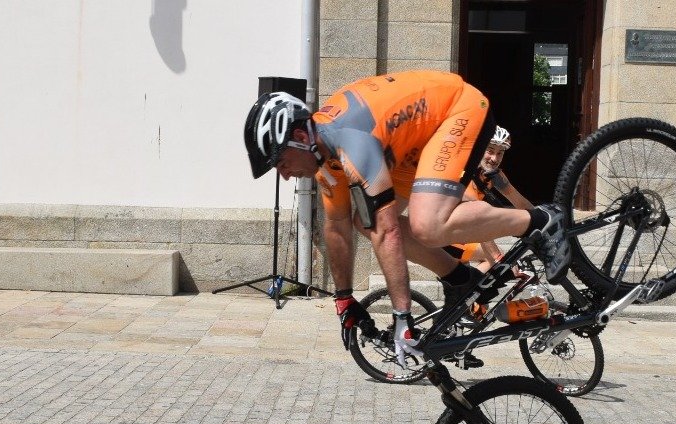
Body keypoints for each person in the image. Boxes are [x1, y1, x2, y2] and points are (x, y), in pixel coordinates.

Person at [244, 70, 570, 367]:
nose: (284, 176)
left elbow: (388, 232)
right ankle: (461, 279)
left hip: (457, 111)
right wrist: (344, 298)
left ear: (301, 138)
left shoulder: (352, 142)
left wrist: (403, 317)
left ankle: (540, 221)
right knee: (363, 221)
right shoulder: (327, 162)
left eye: (282, 163)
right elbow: (337, 227)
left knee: (427, 224)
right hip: (409, 144)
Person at [446, 125, 533, 273]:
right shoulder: (464, 172)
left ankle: (465, 293)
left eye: (500, 153)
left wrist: (543, 218)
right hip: (443, 236)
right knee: (492, 261)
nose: (494, 159)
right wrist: (498, 258)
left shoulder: (493, 175)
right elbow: (476, 219)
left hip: (460, 233)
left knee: (470, 284)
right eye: (490, 151)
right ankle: (468, 294)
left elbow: (520, 202)